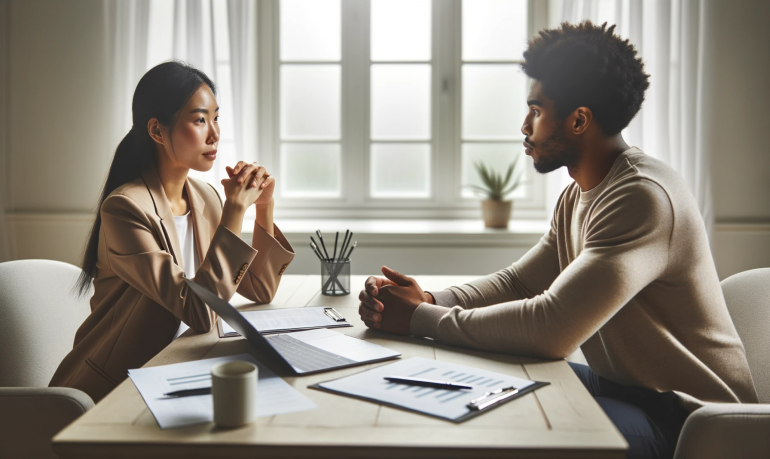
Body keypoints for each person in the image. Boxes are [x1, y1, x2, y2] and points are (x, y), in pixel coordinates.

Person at [358, 21, 758, 459]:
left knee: (514, 423)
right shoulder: (580, 194)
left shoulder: (642, 198)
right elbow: (519, 284)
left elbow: (551, 328)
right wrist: (428, 299)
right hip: (628, 389)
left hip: (690, 421)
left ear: (579, 119)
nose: (524, 125)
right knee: (479, 381)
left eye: (535, 110)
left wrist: (417, 319)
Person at [50, 61, 294, 402]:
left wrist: (263, 207)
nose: (215, 133)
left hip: (183, 364)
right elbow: (200, 311)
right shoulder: (125, 210)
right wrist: (235, 209)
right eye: (199, 120)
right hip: (118, 388)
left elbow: (260, 288)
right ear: (157, 131)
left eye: (216, 117)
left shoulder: (205, 196)